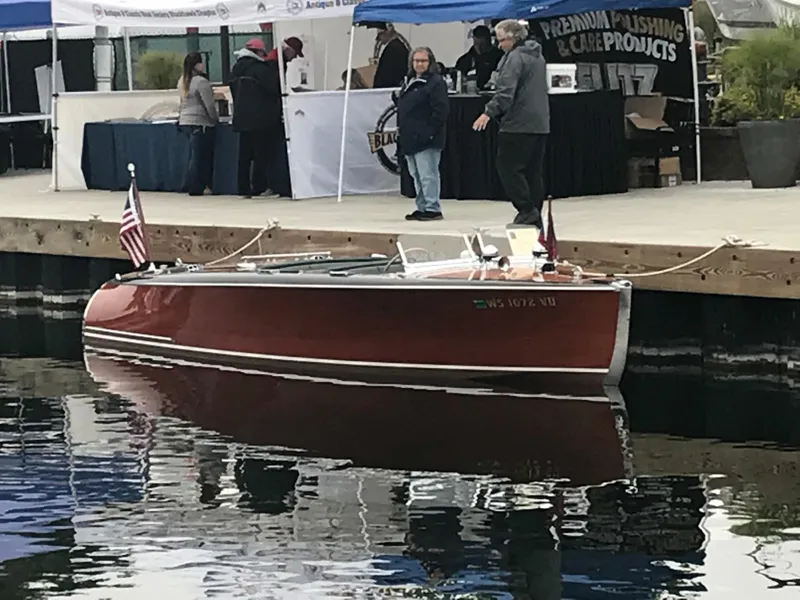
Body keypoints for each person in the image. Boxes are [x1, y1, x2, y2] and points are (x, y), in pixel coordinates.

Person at [473, 19, 550, 228]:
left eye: (501, 41)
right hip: (540, 122)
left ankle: (526, 210)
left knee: (508, 167)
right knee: (533, 171)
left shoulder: (515, 58)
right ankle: (535, 214)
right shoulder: (538, 56)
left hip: (518, 123)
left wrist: (488, 112)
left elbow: (505, 93)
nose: (499, 46)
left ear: (513, 38)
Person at [393, 47, 449, 221]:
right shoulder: (409, 81)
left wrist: (430, 132)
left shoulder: (435, 82)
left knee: (428, 174)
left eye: (423, 61)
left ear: (430, 62)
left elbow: (441, 110)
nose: (419, 64)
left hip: (426, 138)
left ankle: (432, 207)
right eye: (416, 60)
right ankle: (422, 205)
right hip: (410, 137)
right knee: (416, 175)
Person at [229, 38, 283, 198]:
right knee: (261, 154)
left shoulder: (236, 69)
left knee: (244, 156)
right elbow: (274, 89)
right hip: (261, 119)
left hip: (241, 117)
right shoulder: (260, 69)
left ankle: (243, 188)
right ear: (259, 52)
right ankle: (259, 187)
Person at [178, 52, 219, 196]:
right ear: (197, 65)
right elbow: (209, 105)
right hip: (200, 122)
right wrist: (215, 119)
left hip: (185, 121)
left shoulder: (183, 80)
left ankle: (189, 184)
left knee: (192, 156)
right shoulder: (201, 82)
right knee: (201, 158)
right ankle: (198, 186)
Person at [455, 25, 504, 90]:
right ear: (474, 38)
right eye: (478, 38)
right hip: (470, 94)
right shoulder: (465, 59)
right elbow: (458, 77)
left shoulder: (499, 56)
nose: (481, 42)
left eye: (484, 38)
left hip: (494, 92)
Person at [368, 22, 411, 89]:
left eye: (380, 35)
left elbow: (387, 73)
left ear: (387, 32)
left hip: (388, 89)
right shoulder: (398, 46)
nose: (380, 39)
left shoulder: (393, 48)